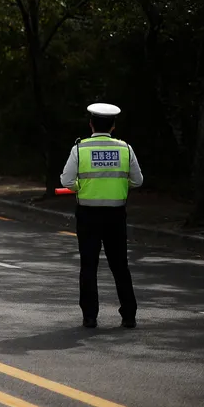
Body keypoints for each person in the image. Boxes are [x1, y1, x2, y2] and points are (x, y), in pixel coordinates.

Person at [59, 102, 143, 329]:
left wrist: (82, 186)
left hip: (88, 215)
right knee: (120, 265)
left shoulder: (80, 149)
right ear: (113, 126)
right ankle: (129, 316)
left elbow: (66, 181)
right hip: (116, 215)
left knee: (89, 266)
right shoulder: (125, 149)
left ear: (90, 124)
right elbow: (138, 180)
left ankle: (90, 317)